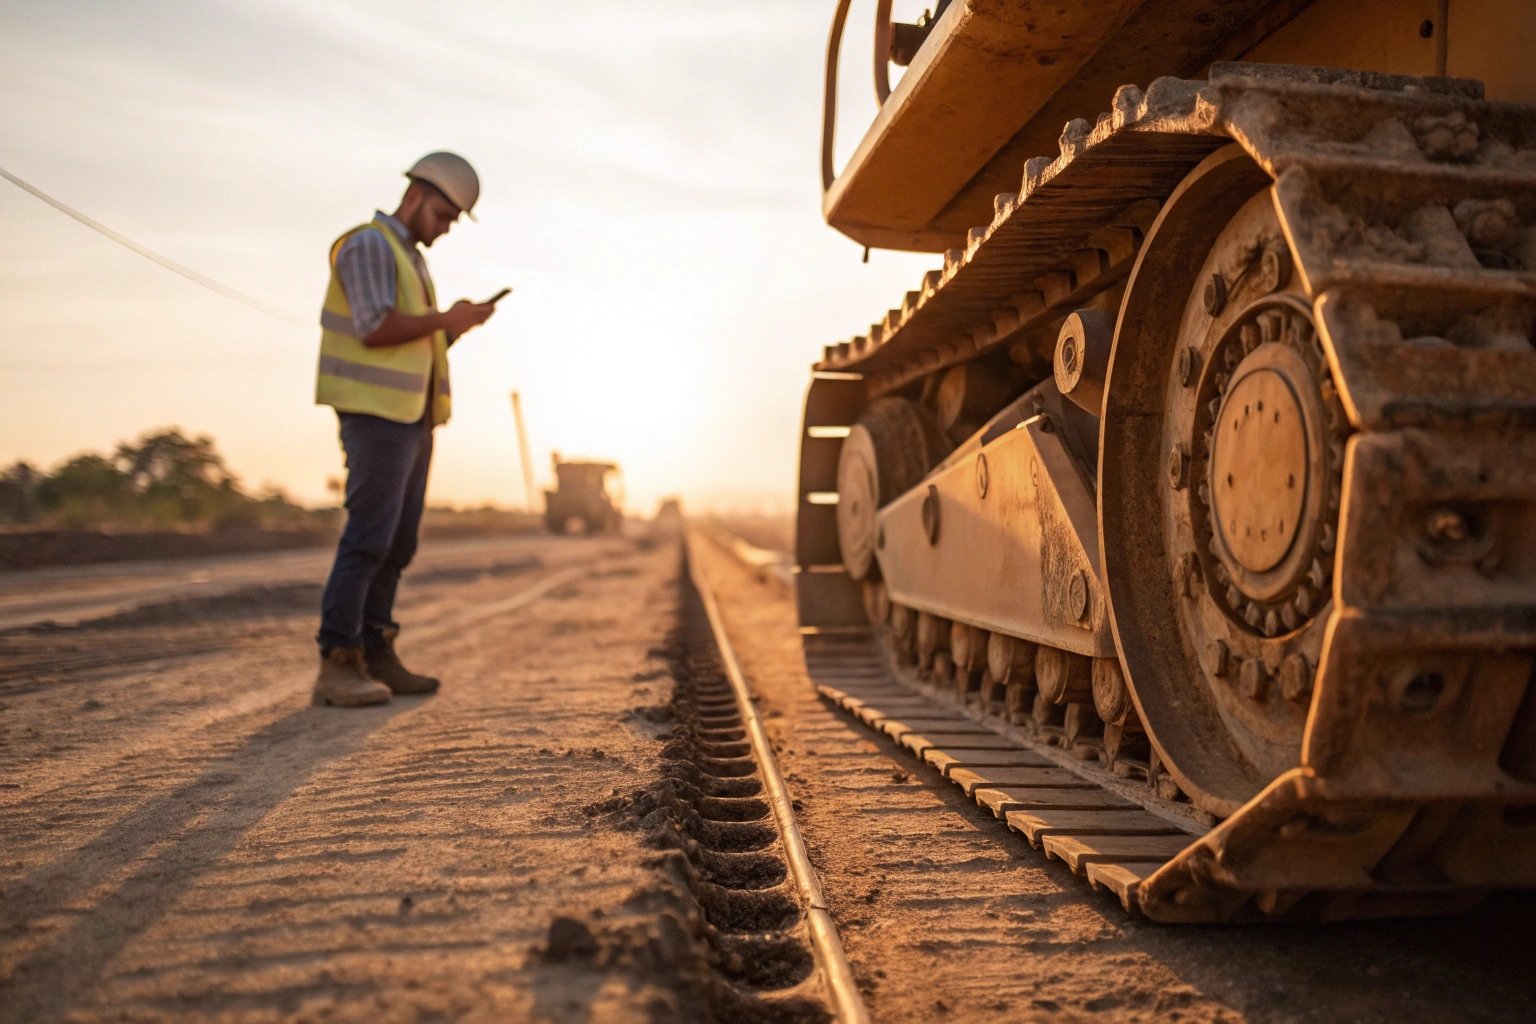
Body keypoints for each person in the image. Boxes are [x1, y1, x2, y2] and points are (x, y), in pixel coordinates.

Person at [311, 151, 499, 707]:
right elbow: (374, 328)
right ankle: (337, 662)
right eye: (443, 215)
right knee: (368, 539)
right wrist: (447, 319)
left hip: (412, 419)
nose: (444, 229)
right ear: (416, 194)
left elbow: (414, 341)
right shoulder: (371, 244)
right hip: (375, 416)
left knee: (398, 542)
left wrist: (454, 326)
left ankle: (377, 652)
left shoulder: (412, 260)